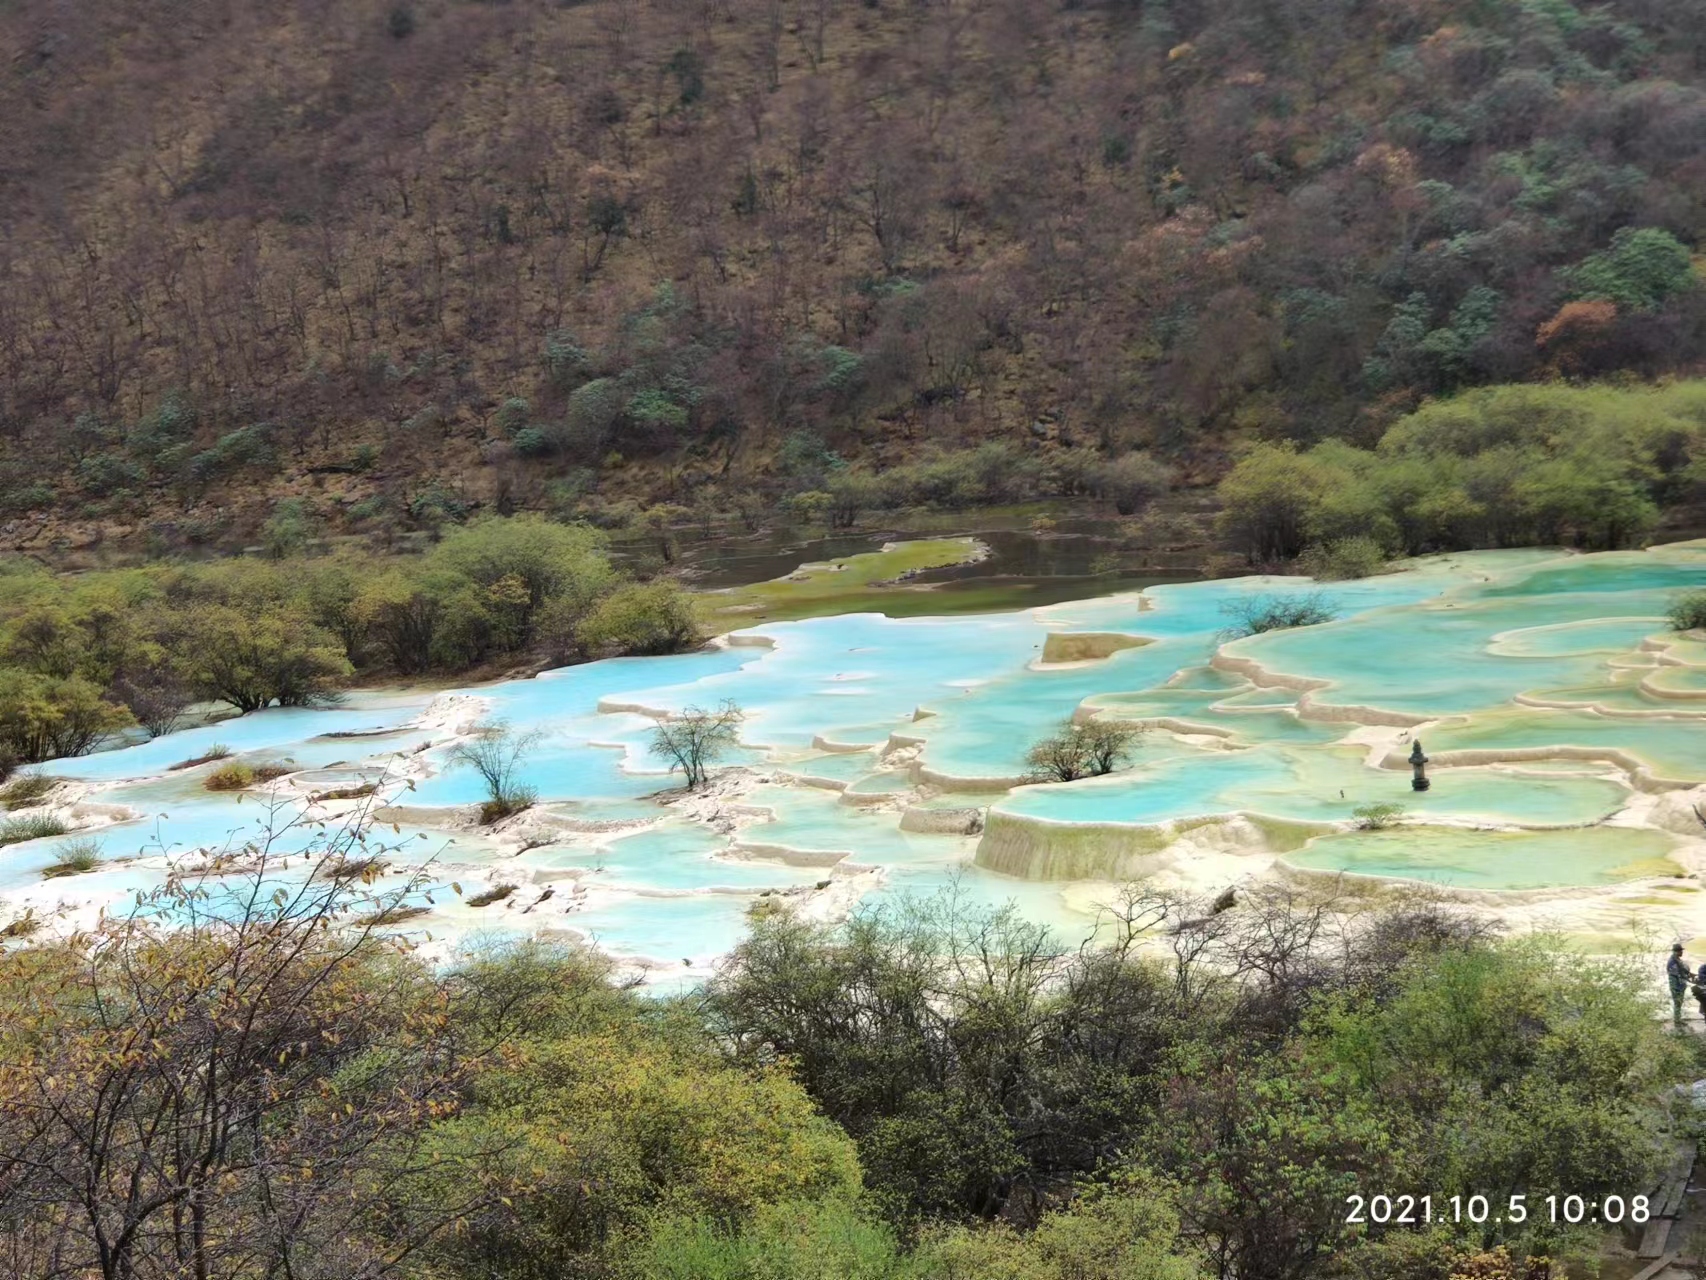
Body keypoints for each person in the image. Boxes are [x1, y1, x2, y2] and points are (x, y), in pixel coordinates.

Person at [1669, 943, 1694, 1029]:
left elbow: (1683, 970)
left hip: (1680, 986)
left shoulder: (1677, 960)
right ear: (1677, 951)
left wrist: (1690, 974)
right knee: (1677, 1003)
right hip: (1676, 987)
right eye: (1680, 951)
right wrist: (1688, 977)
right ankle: (1677, 1022)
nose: (1682, 952)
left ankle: (1678, 1020)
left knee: (1679, 1004)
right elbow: (1677, 974)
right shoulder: (1672, 962)